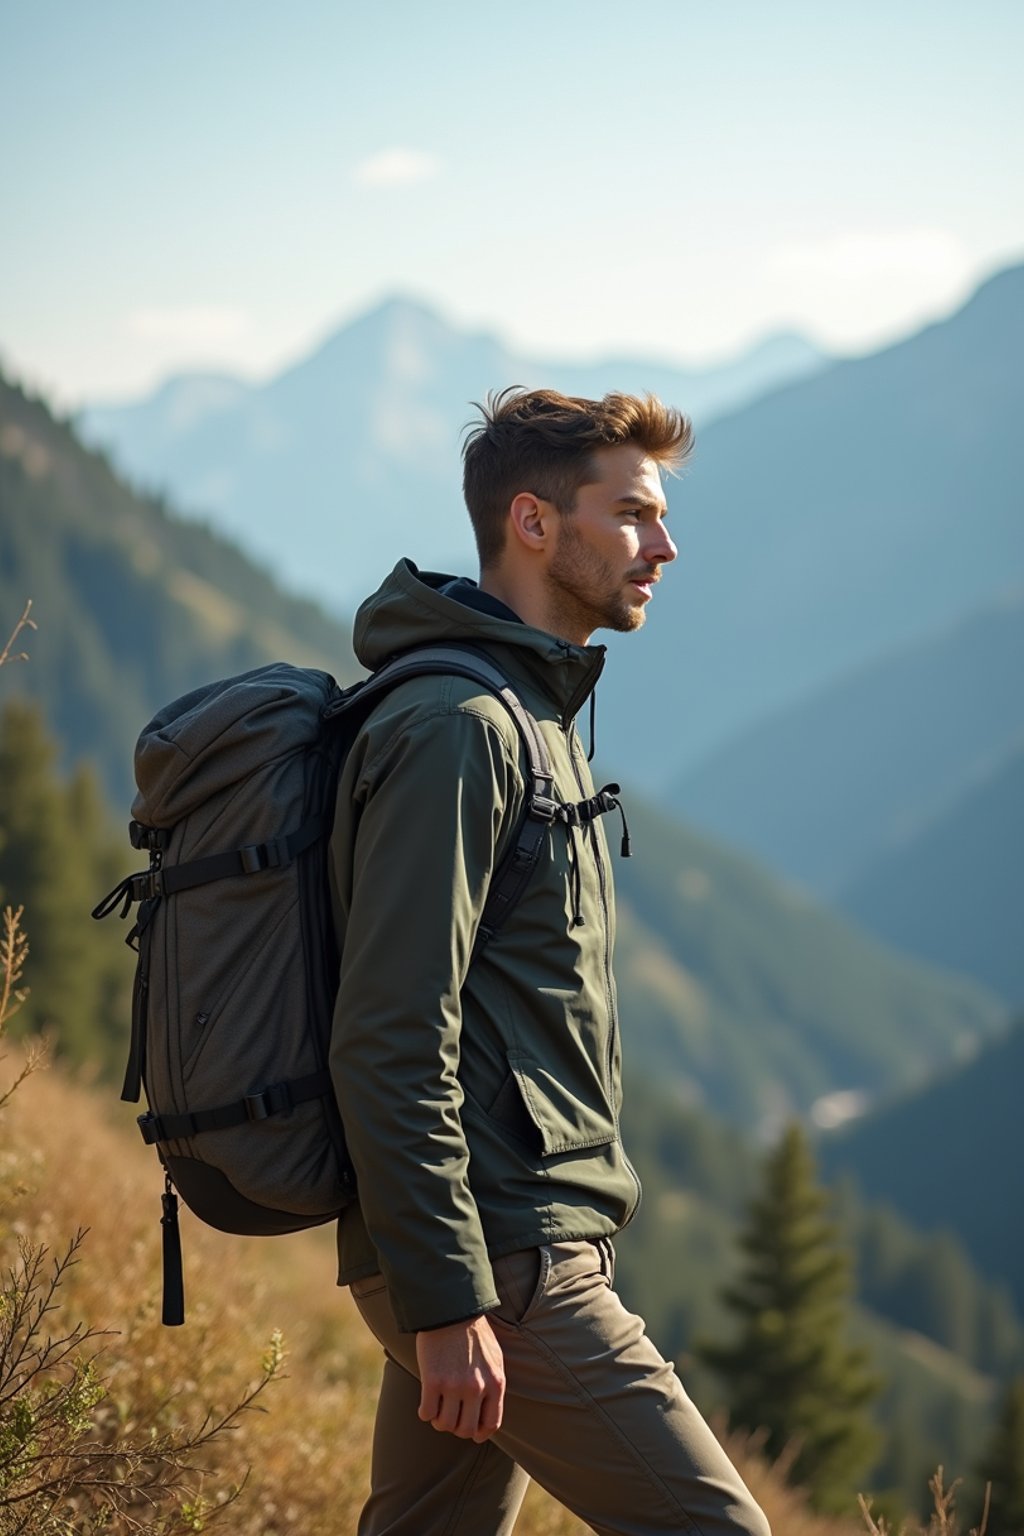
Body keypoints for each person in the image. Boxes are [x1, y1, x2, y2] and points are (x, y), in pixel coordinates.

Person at [328, 388, 770, 1536]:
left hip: (487, 1244)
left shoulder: (526, 713)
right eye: (630, 515)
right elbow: (389, 1027)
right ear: (531, 523)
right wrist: (444, 1298)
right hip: (499, 1255)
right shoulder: (461, 732)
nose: (663, 546)